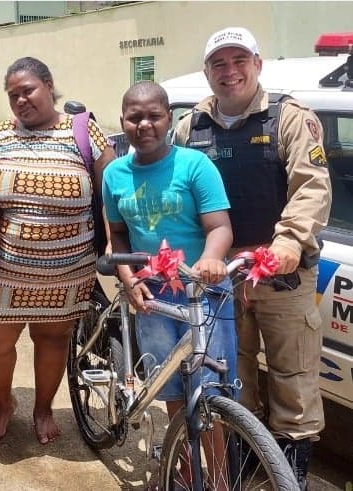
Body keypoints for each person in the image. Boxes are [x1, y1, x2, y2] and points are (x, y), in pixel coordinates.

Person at [173, 27, 332, 488]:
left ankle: (289, 477)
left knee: (294, 382)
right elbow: (180, 192)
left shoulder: (288, 118)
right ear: (207, 73)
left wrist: (288, 241)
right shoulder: (190, 127)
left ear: (257, 65)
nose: (230, 71)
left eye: (239, 60)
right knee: (230, 376)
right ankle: (241, 468)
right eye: (219, 63)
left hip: (282, 276)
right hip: (220, 276)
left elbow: (312, 187)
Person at [0, 56, 116, 444]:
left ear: (48, 85)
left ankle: (43, 409)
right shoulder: (1, 136)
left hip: (67, 271)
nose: (21, 100)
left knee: (52, 341)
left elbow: (114, 193)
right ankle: (4, 403)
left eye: (28, 90)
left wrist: (113, 241)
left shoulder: (84, 133)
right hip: (3, 270)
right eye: (13, 96)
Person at [103, 81, 235, 488]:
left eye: (154, 115)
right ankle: (185, 464)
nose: (144, 124)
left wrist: (212, 258)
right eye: (134, 116)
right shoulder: (114, 173)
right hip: (152, 294)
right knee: (175, 386)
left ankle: (219, 478)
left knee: (211, 390)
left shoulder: (195, 165)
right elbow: (119, 236)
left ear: (169, 118)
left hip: (202, 289)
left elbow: (220, 227)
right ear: (123, 121)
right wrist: (127, 280)